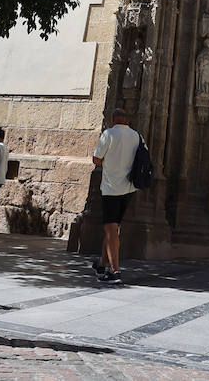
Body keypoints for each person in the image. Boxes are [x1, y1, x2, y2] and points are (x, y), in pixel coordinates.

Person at [91, 107, 141, 285]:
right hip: (128, 189)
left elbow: (96, 159)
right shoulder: (136, 136)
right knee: (113, 228)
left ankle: (115, 270)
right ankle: (102, 263)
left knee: (111, 230)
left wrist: (109, 160)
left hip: (111, 188)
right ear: (126, 120)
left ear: (113, 120)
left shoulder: (109, 134)